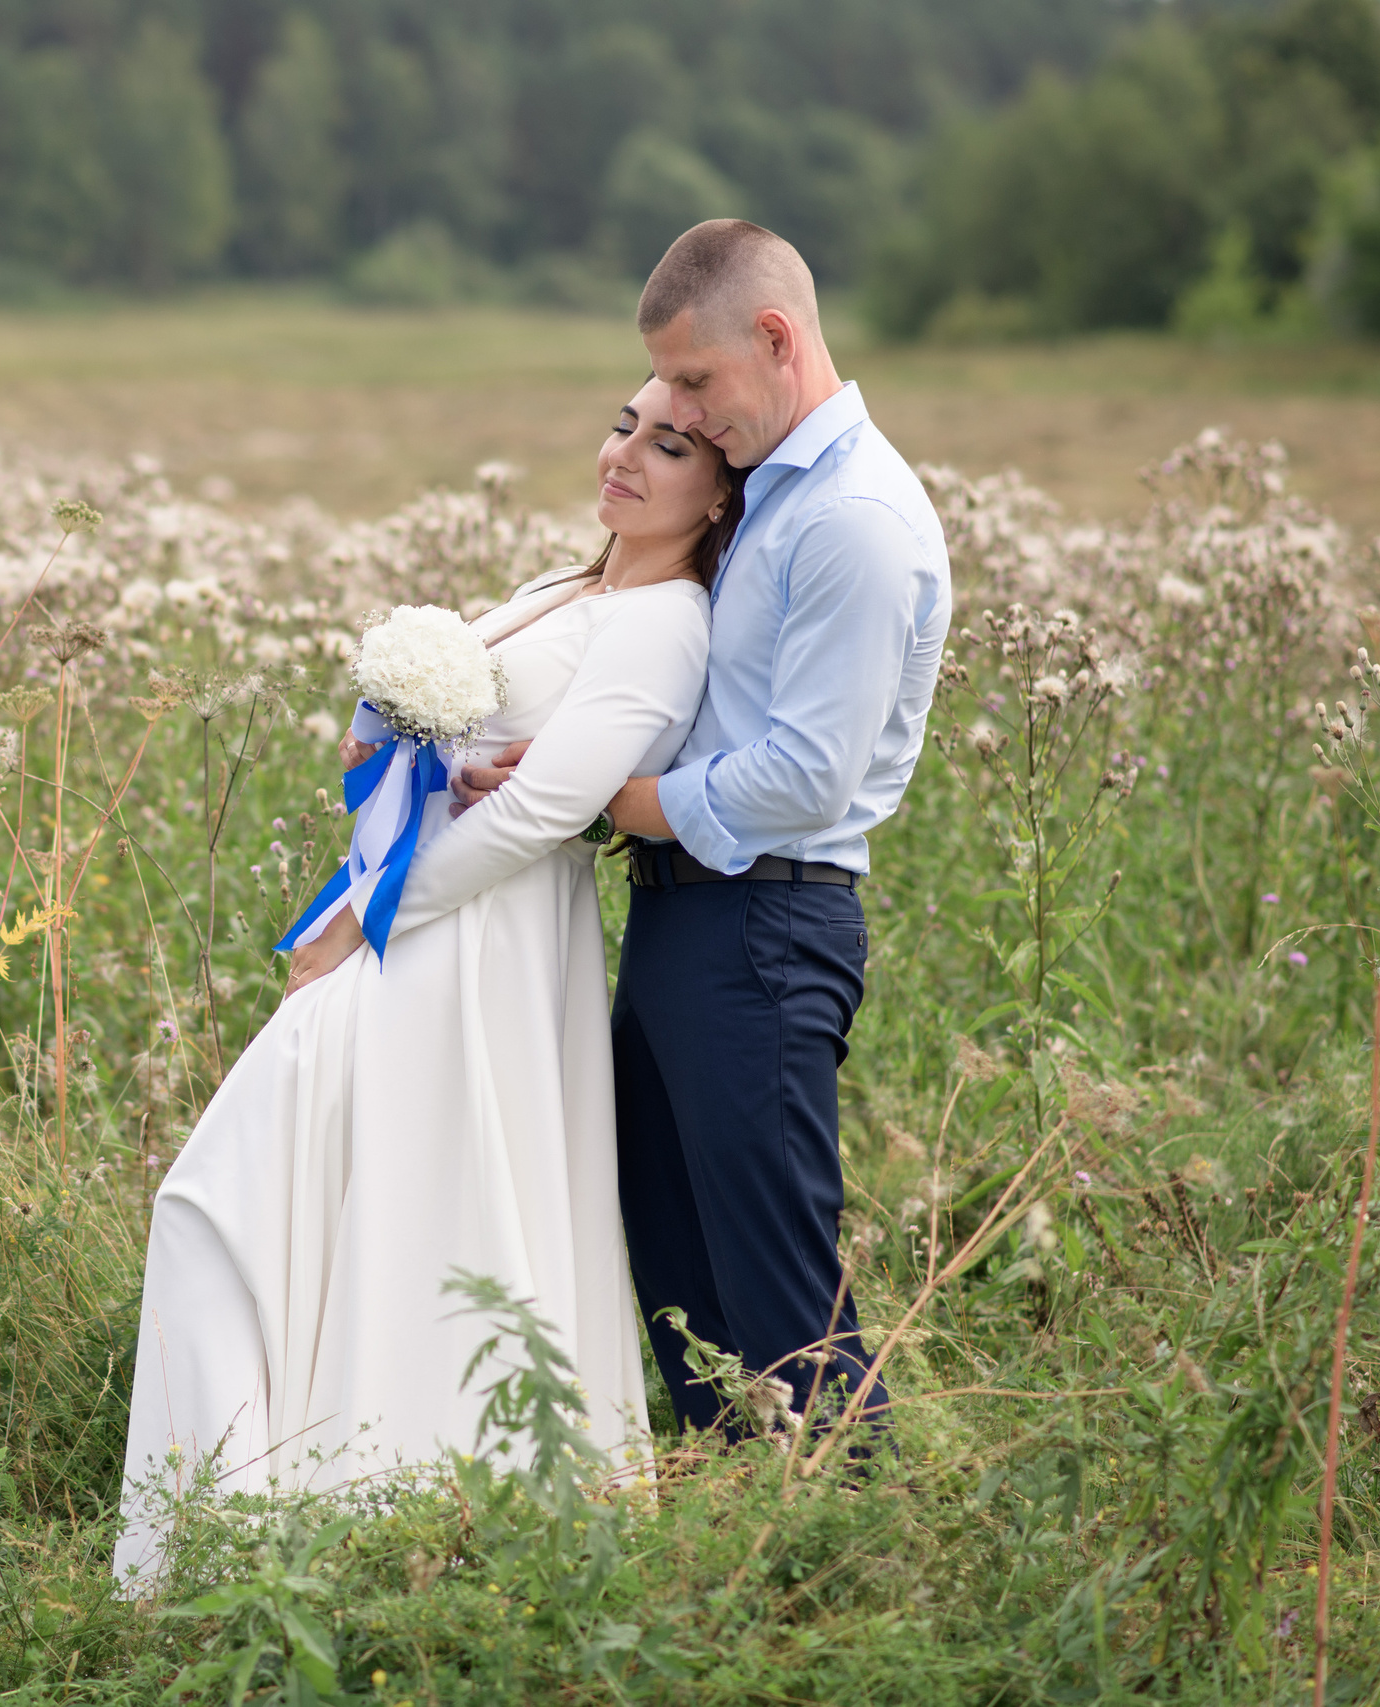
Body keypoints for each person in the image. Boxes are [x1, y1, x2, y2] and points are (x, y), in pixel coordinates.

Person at [111, 376, 735, 1586]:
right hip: (428, 929)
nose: (627, 457)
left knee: (248, 1198)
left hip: (467, 945)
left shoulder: (664, 624)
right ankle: (252, 1529)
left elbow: (546, 810)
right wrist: (386, 736)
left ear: (719, 495)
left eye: (670, 447)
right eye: (623, 424)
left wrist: (356, 924)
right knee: (324, 1198)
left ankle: (356, 1515)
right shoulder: (570, 586)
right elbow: (460, 752)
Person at [453, 219, 951, 1439]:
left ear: (774, 340)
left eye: (692, 382)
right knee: (678, 1277)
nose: (676, 408)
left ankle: (862, 1545)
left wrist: (599, 802)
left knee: (778, 1291)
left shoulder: (852, 521)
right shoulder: (773, 497)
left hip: (767, 926)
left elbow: (804, 776)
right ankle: (743, 1529)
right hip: (687, 916)